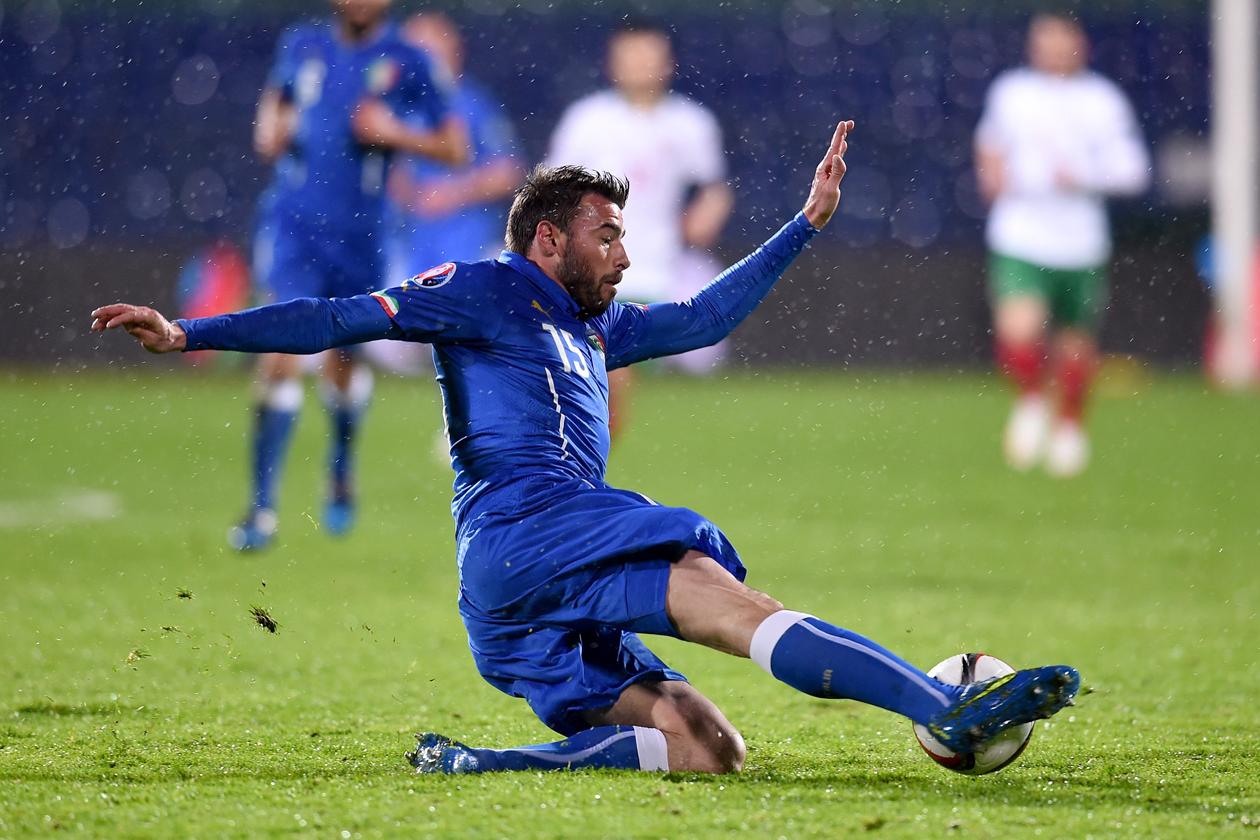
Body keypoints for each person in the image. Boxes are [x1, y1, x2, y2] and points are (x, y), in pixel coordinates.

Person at [92, 121, 1079, 775]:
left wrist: (802, 227)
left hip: (520, 584)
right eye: (607, 235)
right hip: (528, 528)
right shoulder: (483, 291)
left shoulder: (595, 328)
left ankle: (484, 765)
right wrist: (196, 332)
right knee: (733, 600)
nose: (626, 253)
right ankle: (941, 710)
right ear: (549, 240)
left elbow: (699, 315)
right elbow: (343, 316)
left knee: (709, 749)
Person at [239, 0, 469, 550]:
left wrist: (395, 133)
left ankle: (340, 469)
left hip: (359, 237)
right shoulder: (302, 43)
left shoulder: (408, 60)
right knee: (283, 350)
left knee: (343, 366)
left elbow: (457, 147)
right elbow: (275, 105)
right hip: (293, 227)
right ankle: (261, 509)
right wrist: (269, 127)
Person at [975, 11, 1150, 477]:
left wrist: (1084, 176)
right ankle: (1033, 400)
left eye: (1060, 40)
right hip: (1023, 233)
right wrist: (991, 174)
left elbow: (1134, 169)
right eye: (1043, 41)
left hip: (1080, 241)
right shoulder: (1013, 92)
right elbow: (990, 145)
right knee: (1018, 329)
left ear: (1079, 45)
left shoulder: (1101, 100)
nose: (1051, 49)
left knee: (1076, 343)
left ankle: (1071, 426)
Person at [547, 18, 734, 433]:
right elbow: (550, 190)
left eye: (650, 56)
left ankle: (566, 440)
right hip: (593, 269)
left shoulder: (689, 122)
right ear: (613, 63)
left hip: (660, 267)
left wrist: (707, 213)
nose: (640, 65)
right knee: (604, 369)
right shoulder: (588, 120)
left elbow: (715, 189)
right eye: (630, 56)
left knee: (705, 355)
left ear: (669, 63)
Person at [368, 10, 525, 377]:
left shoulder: (471, 103)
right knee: (380, 341)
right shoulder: (386, 105)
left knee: (481, 321)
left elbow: (510, 170)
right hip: (401, 248)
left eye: (431, 49)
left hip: (465, 245)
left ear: (455, 53)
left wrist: (454, 191)